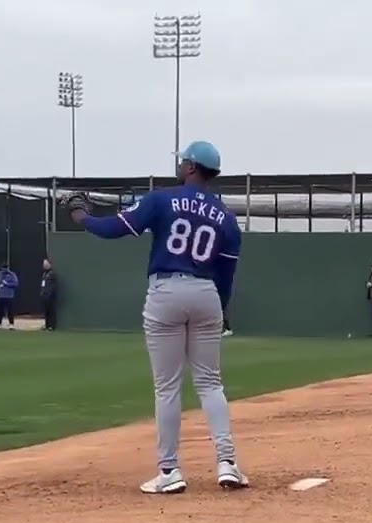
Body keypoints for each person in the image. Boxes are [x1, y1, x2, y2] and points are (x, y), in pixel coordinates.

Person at [66, 140, 248, 494]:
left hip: (166, 290)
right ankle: (227, 464)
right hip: (207, 294)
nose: (179, 166)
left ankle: (169, 471)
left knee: (167, 387)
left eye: (183, 162)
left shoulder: (162, 199)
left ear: (191, 168)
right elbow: (227, 276)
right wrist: (219, 310)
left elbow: (113, 229)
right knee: (210, 384)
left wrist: (81, 217)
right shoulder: (226, 217)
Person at [0, 263, 19, 329]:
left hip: (9, 296)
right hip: (0, 295)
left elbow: (15, 284)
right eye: (3, 269)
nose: (4, 270)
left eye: (5, 269)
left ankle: (11, 324)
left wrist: (7, 284)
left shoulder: (12, 275)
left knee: (10, 310)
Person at [39, 258, 58, 331]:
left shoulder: (52, 274)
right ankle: (46, 325)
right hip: (44, 295)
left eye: (46, 264)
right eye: (44, 264)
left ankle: (51, 326)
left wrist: (50, 293)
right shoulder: (44, 274)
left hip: (50, 296)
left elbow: (54, 285)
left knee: (51, 311)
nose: (45, 265)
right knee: (46, 311)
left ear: (50, 264)